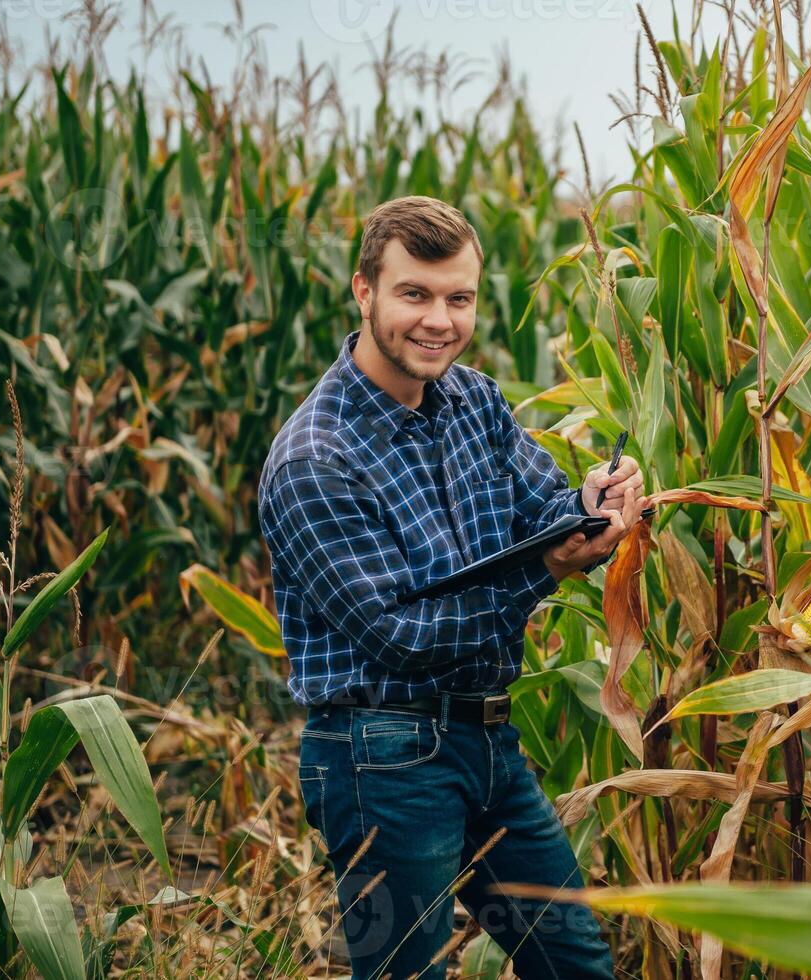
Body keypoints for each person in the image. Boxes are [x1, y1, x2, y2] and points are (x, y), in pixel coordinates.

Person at [257, 195, 641, 978]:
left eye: (457, 298)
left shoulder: (474, 401)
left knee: (577, 967)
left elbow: (540, 513)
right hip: (381, 755)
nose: (439, 320)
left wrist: (593, 504)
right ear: (363, 292)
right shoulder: (314, 460)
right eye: (414, 295)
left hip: (487, 739)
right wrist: (549, 570)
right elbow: (401, 638)